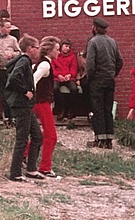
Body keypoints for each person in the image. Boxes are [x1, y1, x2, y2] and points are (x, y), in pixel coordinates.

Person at [4, 34, 44, 181]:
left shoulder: (24, 61)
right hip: (21, 104)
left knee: (38, 136)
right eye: (37, 48)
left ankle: (31, 169)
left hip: (25, 106)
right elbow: (14, 78)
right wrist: (25, 91)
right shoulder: (24, 61)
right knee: (22, 138)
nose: (38, 51)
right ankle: (15, 173)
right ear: (30, 48)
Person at [85, 17, 124, 149]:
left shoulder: (93, 42)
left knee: (98, 109)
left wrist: (90, 78)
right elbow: (120, 61)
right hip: (110, 80)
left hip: (97, 80)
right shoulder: (113, 42)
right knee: (108, 109)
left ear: (95, 28)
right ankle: (109, 140)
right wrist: (113, 74)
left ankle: (100, 139)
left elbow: (90, 64)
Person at [32, 36, 61, 177]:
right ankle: (45, 167)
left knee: (42, 134)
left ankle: (25, 154)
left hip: (41, 102)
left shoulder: (42, 63)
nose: (59, 52)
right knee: (51, 136)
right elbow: (33, 79)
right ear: (49, 51)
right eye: (57, 49)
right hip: (41, 103)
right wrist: (29, 93)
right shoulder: (45, 65)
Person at [0, 18, 21, 126]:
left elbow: (19, 52)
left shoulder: (13, 39)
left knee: (12, 92)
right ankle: (7, 116)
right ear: (1, 28)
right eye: (7, 27)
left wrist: (12, 55)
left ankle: (14, 116)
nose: (9, 29)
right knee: (3, 93)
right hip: (0, 69)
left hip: (11, 69)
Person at [52, 38, 79, 120]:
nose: (67, 48)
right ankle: (61, 108)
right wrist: (58, 75)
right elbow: (52, 68)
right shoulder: (56, 56)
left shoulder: (72, 56)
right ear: (61, 46)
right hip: (57, 77)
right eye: (66, 46)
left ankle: (70, 109)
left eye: (69, 47)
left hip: (69, 77)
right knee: (54, 88)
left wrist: (69, 75)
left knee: (74, 89)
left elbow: (74, 68)